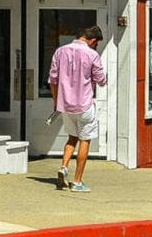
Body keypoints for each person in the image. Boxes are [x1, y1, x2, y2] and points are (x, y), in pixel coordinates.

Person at [47, 25, 108, 193]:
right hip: (84, 104)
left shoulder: (60, 51)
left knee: (71, 137)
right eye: (96, 44)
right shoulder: (92, 54)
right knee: (85, 140)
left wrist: (56, 100)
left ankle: (64, 167)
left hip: (65, 105)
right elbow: (101, 79)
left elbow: (53, 79)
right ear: (93, 41)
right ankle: (77, 181)